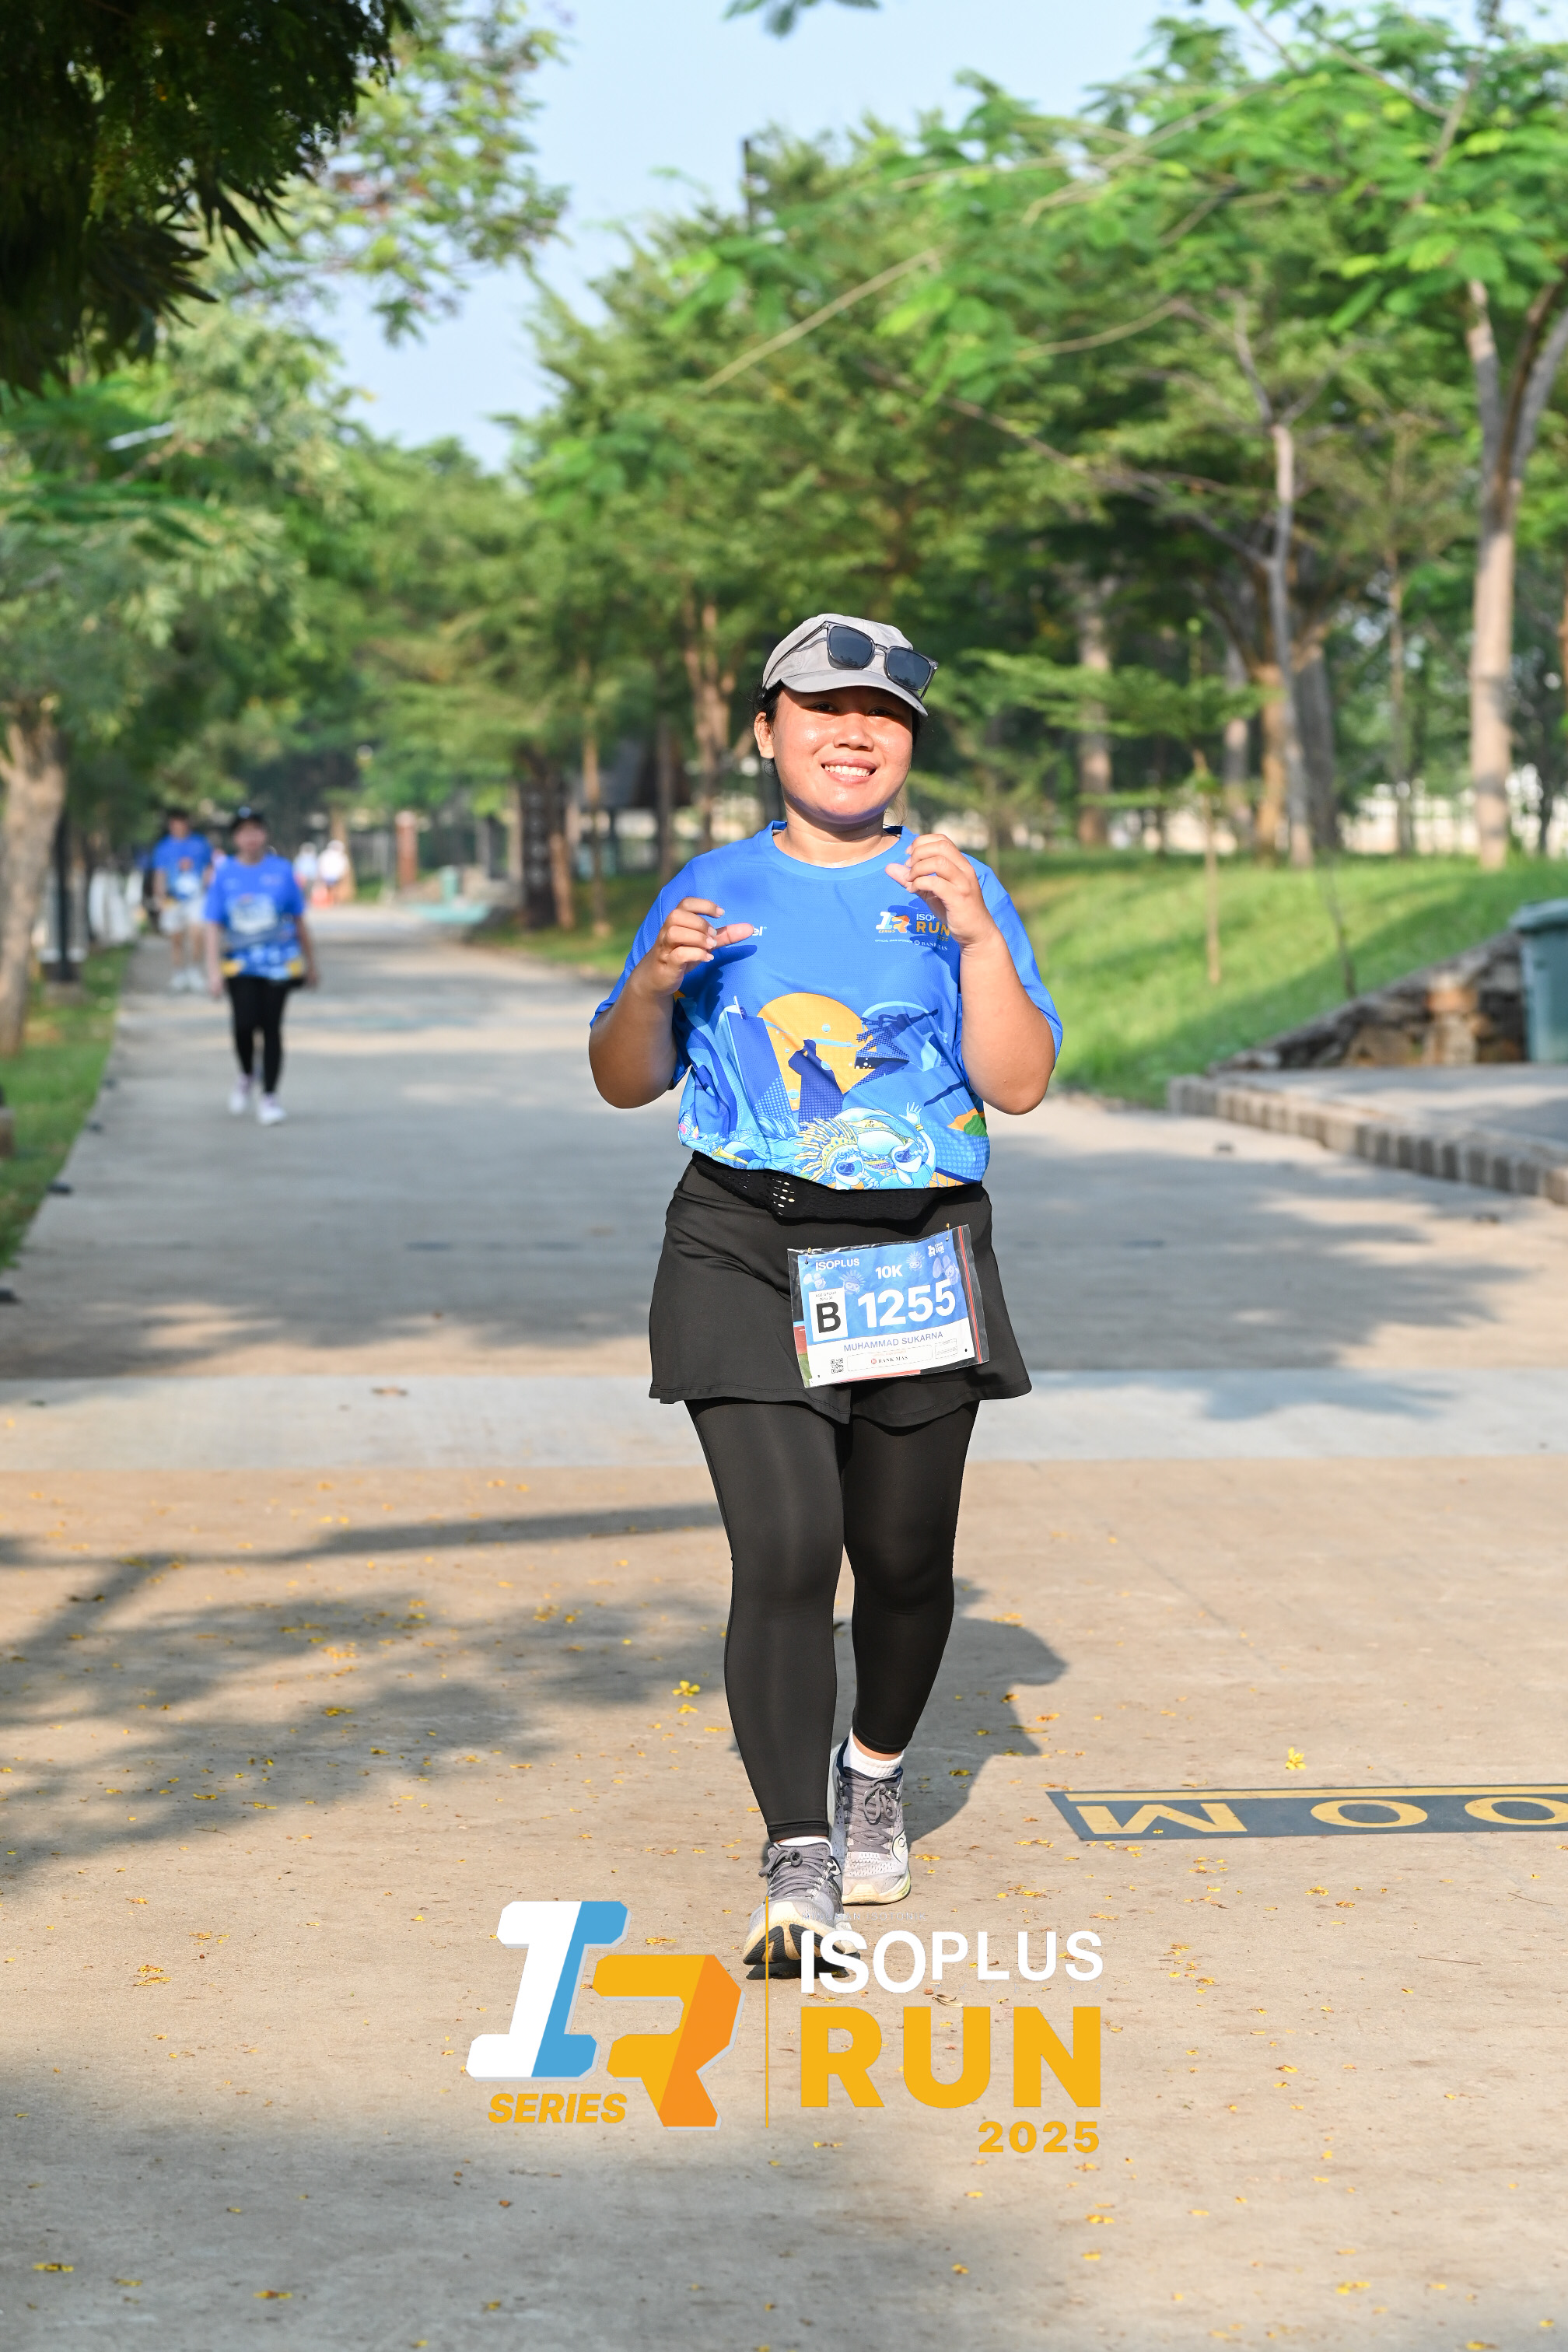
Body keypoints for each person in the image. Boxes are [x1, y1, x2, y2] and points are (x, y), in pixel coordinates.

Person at [589, 613, 1061, 1972]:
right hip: (742, 1240)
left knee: (902, 1559)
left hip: (913, 1251)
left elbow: (1020, 1081)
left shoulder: (955, 888)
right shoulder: (710, 887)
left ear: (908, 742)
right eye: (823, 707)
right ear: (766, 730)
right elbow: (623, 1076)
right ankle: (799, 1853)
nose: (855, 733)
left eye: (885, 714)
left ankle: (873, 1771)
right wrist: (658, 981)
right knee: (788, 1547)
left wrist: (976, 937)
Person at [203, 805, 318, 1125]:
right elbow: (212, 925)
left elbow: (299, 920)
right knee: (244, 1025)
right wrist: (213, 971)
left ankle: (269, 1095)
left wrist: (311, 963)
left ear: (264, 834)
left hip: (279, 963)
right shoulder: (224, 873)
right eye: (243, 832)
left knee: (271, 1028)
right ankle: (246, 1073)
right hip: (239, 964)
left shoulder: (282, 871)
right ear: (235, 838)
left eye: (256, 830)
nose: (250, 837)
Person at [148, 810, 215, 991]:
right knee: (176, 937)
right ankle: (179, 973)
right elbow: (159, 873)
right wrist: (159, 897)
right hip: (172, 898)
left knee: (196, 933)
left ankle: (194, 970)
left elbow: (209, 868)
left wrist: (209, 889)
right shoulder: (163, 847)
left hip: (196, 897)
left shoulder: (200, 843)